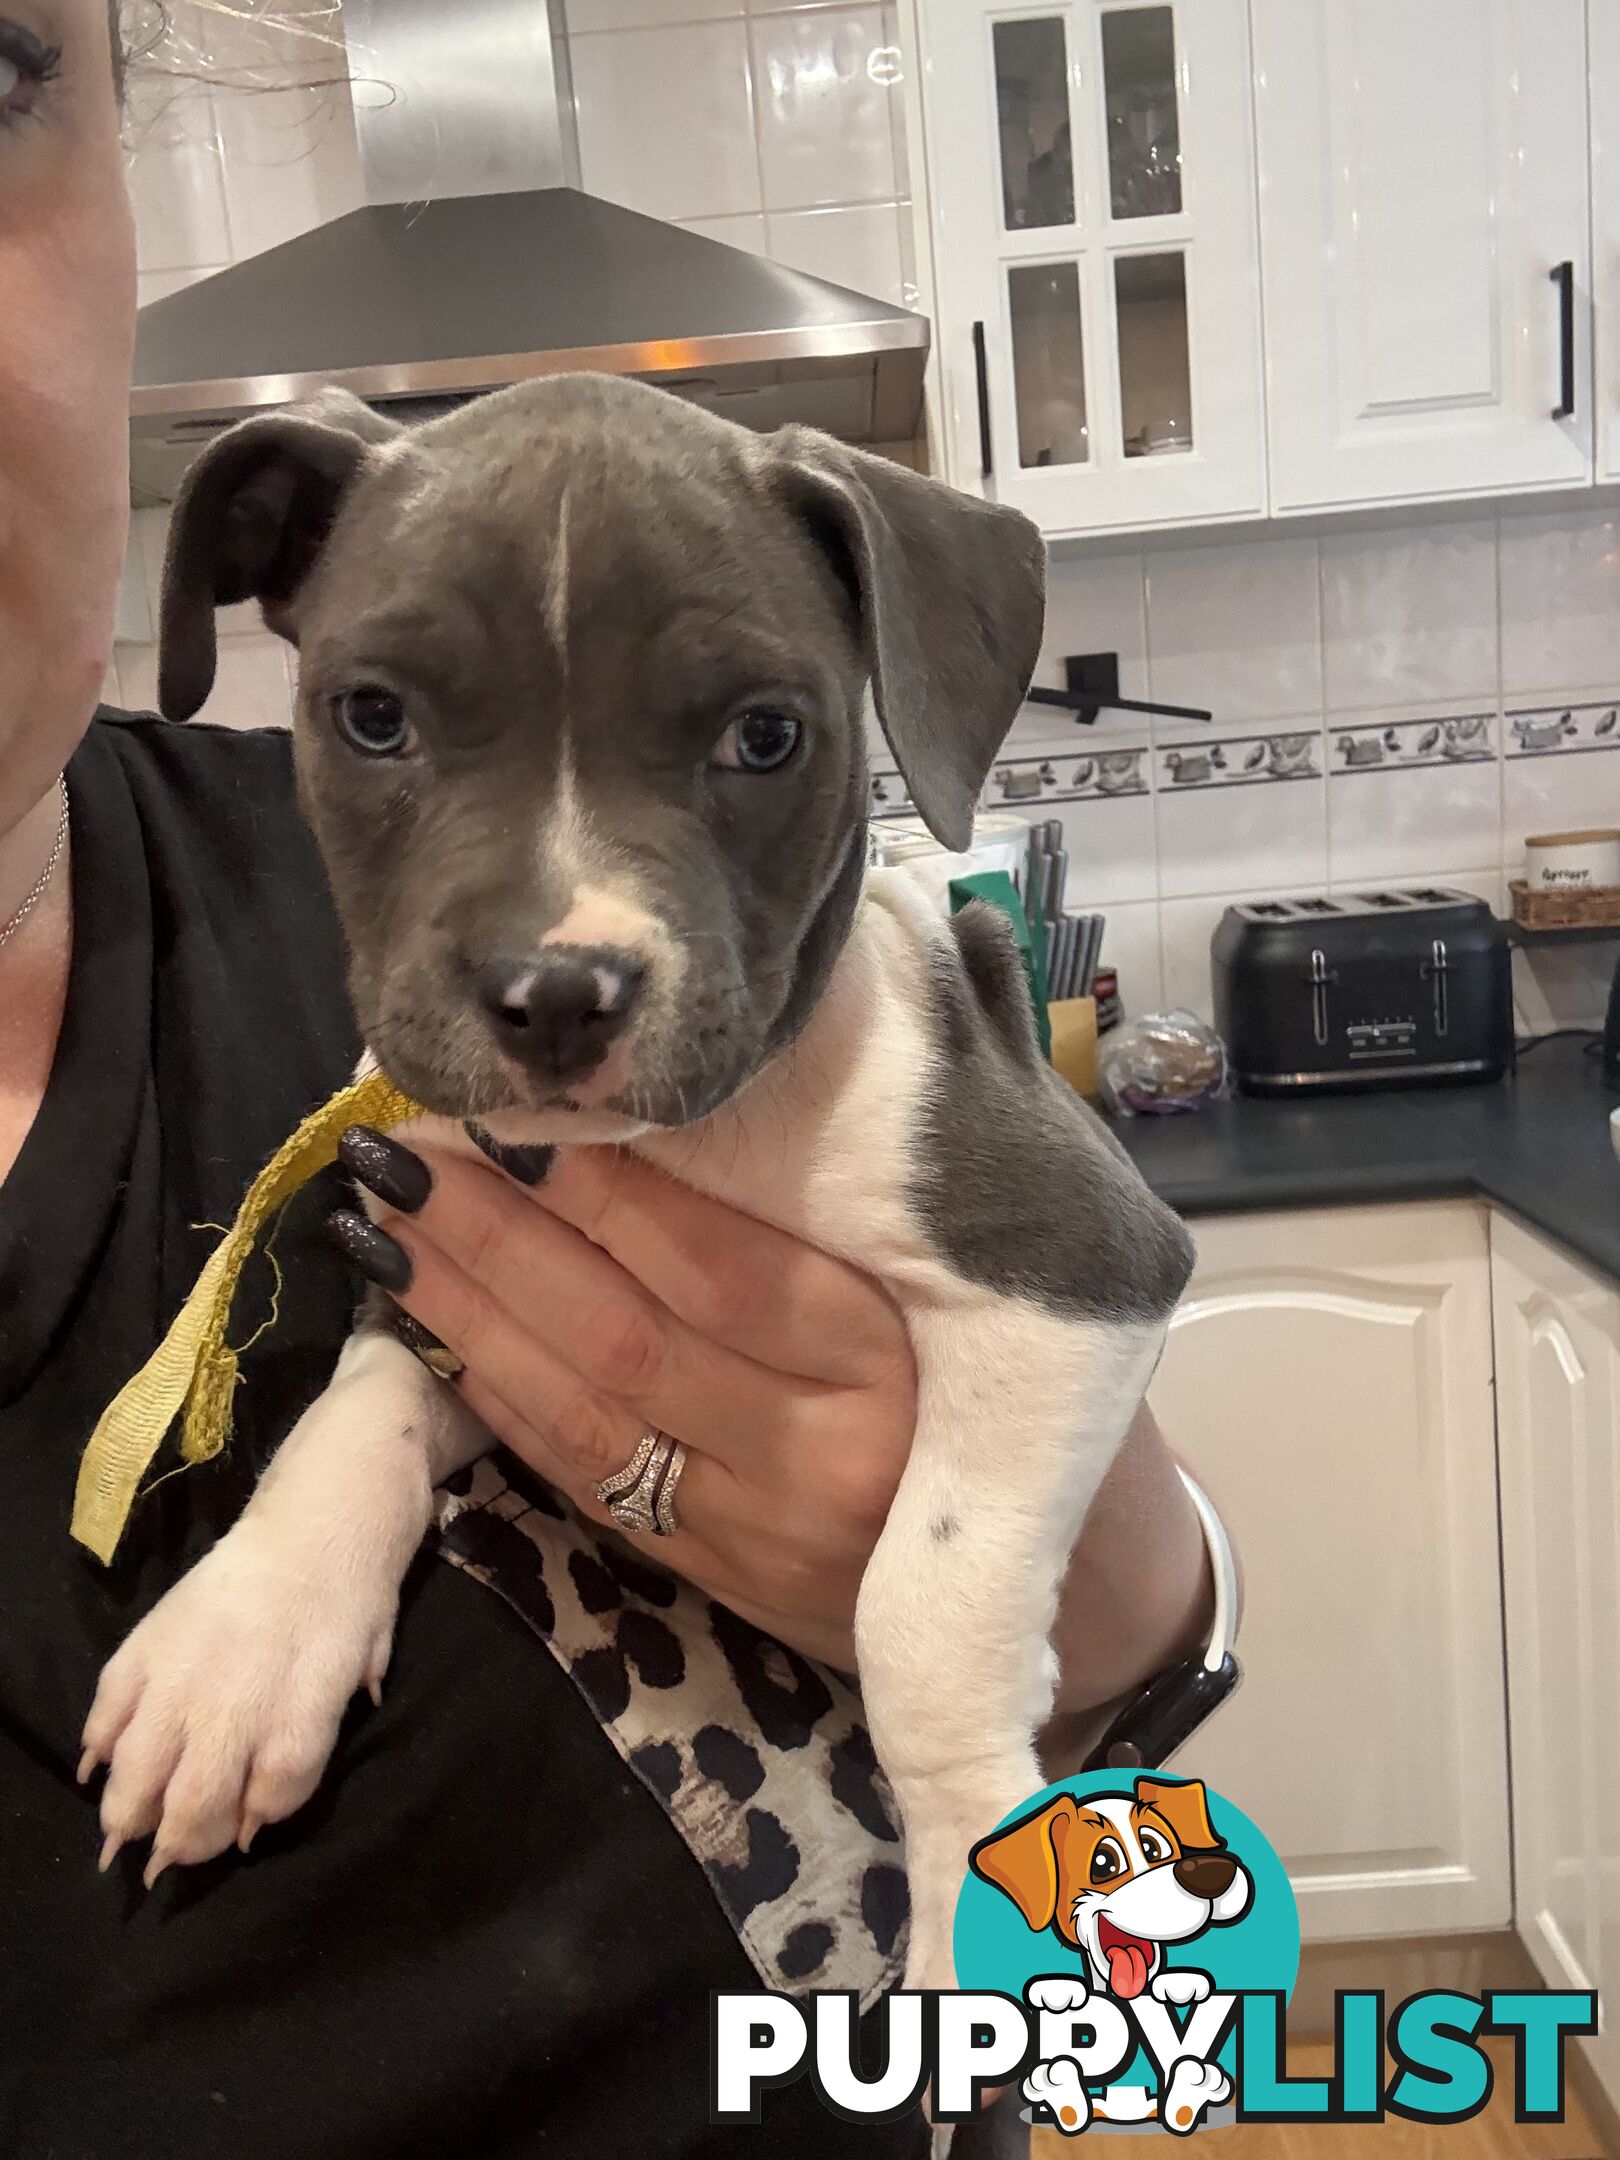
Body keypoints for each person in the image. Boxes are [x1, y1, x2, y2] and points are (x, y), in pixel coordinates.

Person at [0, 4, 1222, 2153]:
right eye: (385, 725)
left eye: (754, 741)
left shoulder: (845, 1046)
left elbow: (1149, 1885)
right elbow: (460, 1316)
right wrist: (327, 1520)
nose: (560, 943)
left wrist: (1118, 1628)